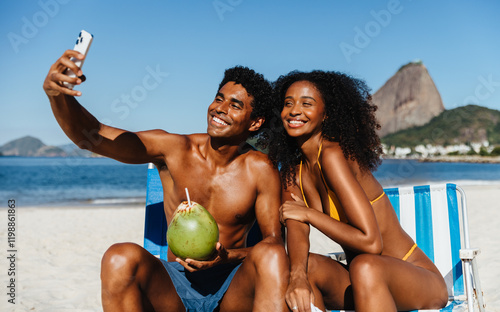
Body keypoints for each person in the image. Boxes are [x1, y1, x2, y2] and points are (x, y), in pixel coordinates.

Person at [43, 50, 289, 312]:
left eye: (235, 105)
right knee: (118, 257)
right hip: (175, 284)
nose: (220, 108)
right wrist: (58, 96)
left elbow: (273, 244)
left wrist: (228, 257)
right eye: (219, 98)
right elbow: (94, 137)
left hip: (231, 286)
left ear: (255, 123)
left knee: (272, 256)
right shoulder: (175, 150)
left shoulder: (260, 169)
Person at [266, 70, 448, 312]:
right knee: (300, 267)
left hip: (417, 280)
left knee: (365, 266)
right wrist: (298, 276)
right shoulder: (292, 170)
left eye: (306, 103)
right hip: (362, 278)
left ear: (326, 114)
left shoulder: (332, 155)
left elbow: (371, 242)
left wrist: (310, 215)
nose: (294, 110)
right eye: (288, 103)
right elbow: (296, 225)